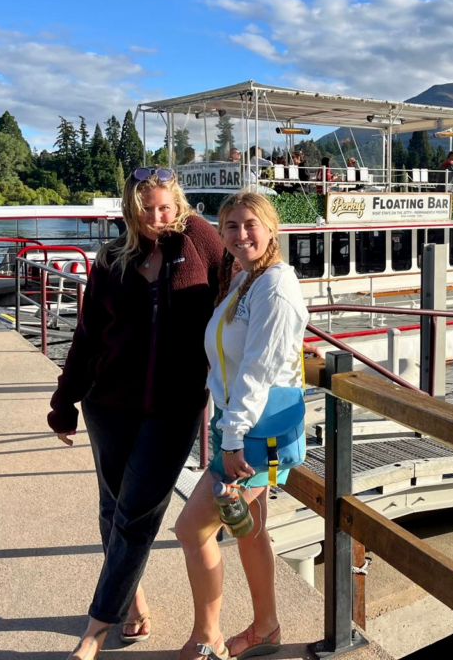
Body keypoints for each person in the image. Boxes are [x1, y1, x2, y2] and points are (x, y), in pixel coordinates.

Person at [48, 167, 224, 660]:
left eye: (165, 207)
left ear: (178, 202)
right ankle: (134, 605)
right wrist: (64, 403)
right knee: (112, 510)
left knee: (135, 518)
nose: (157, 218)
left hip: (174, 408)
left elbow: (241, 286)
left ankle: (95, 631)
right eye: (146, 210)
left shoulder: (200, 240)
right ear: (130, 210)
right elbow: (86, 336)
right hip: (108, 405)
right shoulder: (109, 259)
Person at [175, 191, 309, 660]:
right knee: (250, 530)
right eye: (230, 226)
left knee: (192, 529)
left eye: (250, 223)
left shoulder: (273, 285)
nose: (240, 234)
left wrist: (231, 439)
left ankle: (206, 637)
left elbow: (258, 369)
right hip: (241, 425)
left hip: (254, 435)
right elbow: (259, 349)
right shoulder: (245, 279)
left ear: (271, 227)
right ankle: (266, 628)